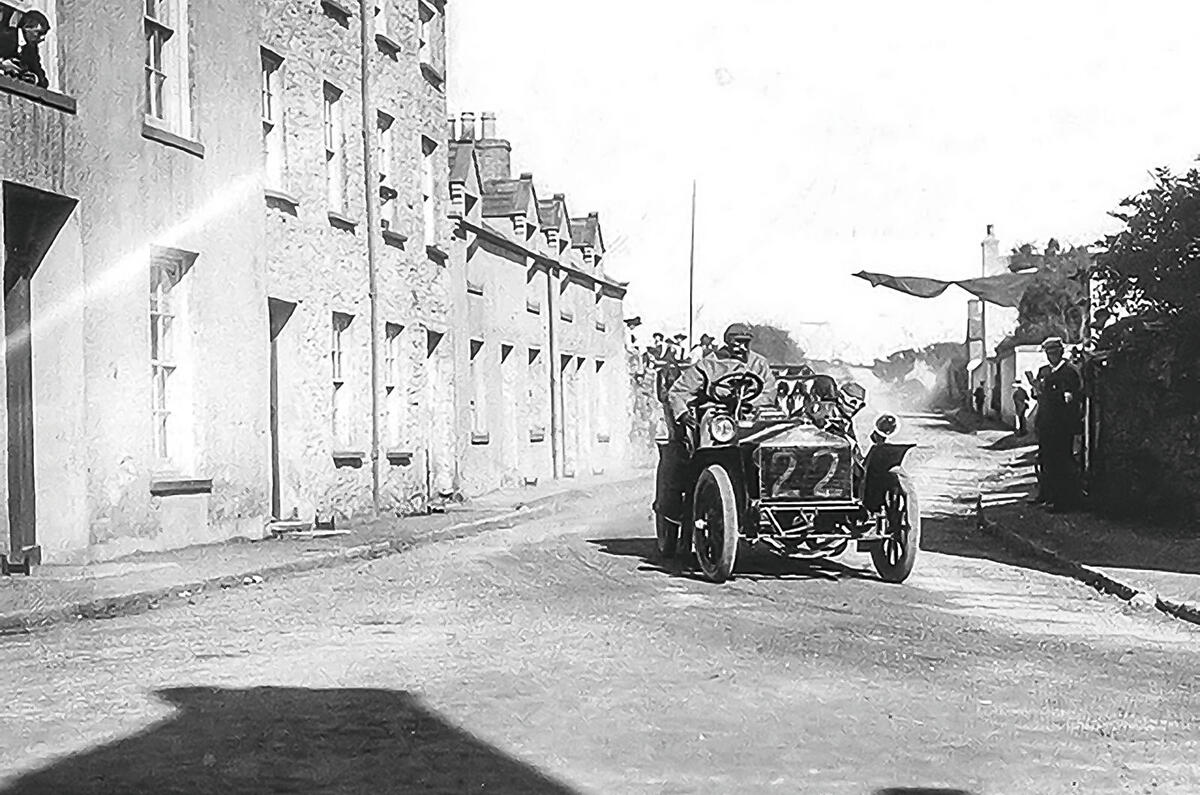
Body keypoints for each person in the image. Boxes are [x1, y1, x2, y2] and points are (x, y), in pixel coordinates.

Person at [654, 323, 777, 521]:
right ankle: (708, 466)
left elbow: (769, 392)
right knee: (710, 425)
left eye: (746, 343)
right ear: (727, 342)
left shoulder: (759, 364)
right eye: (738, 343)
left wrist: (750, 402)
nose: (742, 347)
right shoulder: (707, 364)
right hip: (717, 415)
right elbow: (678, 392)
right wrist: (684, 414)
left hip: (752, 414)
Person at [1030, 337, 1082, 511]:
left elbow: (1068, 399)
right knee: (1045, 460)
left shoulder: (1069, 372)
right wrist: (1036, 389)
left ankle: (1062, 501)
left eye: (1054, 352)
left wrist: (1047, 392)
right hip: (1045, 423)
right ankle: (1046, 495)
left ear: (1061, 352)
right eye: (1048, 353)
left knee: (1061, 461)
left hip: (1061, 425)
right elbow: (1037, 397)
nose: (1051, 356)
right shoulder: (1044, 371)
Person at [0, 9, 50, 89]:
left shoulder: (32, 49)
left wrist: (34, 78)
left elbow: (40, 75)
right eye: (39, 33)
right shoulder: (5, 36)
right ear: (27, 28)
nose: (42, 38)